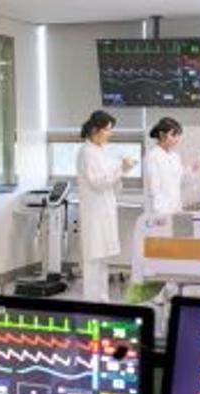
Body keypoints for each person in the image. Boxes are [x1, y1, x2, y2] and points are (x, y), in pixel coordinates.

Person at [77, 110, 136, 302]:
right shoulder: (87, 152)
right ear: (96, 129)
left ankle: (102, 299)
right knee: (94, 258)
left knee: (103, 258)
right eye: (108, 129)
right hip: (94, 212)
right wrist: (122, 169)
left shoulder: (101, 150)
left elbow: (111, 179)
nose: (111, 133)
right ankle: (92, 301)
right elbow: (98, 182)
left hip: (104, 209)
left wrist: (122, 168)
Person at [143, 117, 200, 215]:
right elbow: (153, 190)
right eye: (173, 135)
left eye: (178, 136)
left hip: (175, 210)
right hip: (159, 213)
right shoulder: (152, 157)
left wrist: (192, 169)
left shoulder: (175, 157)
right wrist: (160, 214)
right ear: (162, 135)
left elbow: (181, 183)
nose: (177, 139)